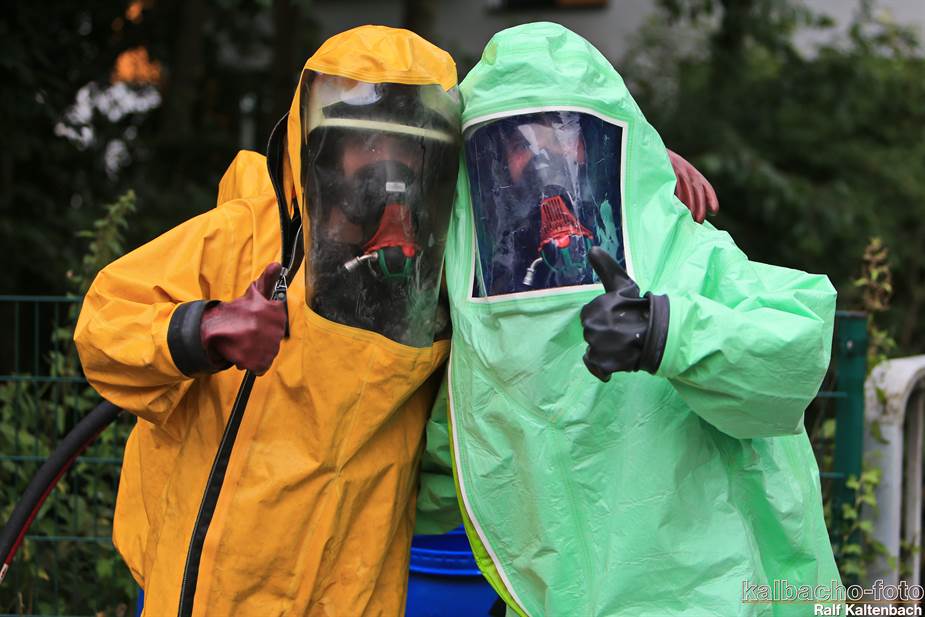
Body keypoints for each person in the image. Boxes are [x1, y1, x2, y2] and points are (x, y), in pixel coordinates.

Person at [425, 22, 840, 616]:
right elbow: (456, 460)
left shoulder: (679, 252)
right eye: (517, 140)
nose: (541, 159)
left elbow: (795, 350)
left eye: (560, 132)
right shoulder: (478, 300)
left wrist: (665, 330)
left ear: (597, 141)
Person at [74, 25, 461, 616]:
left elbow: (450, 471)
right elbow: (105, 324)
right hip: (213, 588)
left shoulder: (433, 282)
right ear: (320, 147)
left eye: (409, 148)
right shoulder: (244, 240)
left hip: (346, 595)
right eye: (367, 143)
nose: (389, 170)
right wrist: (204, 329)